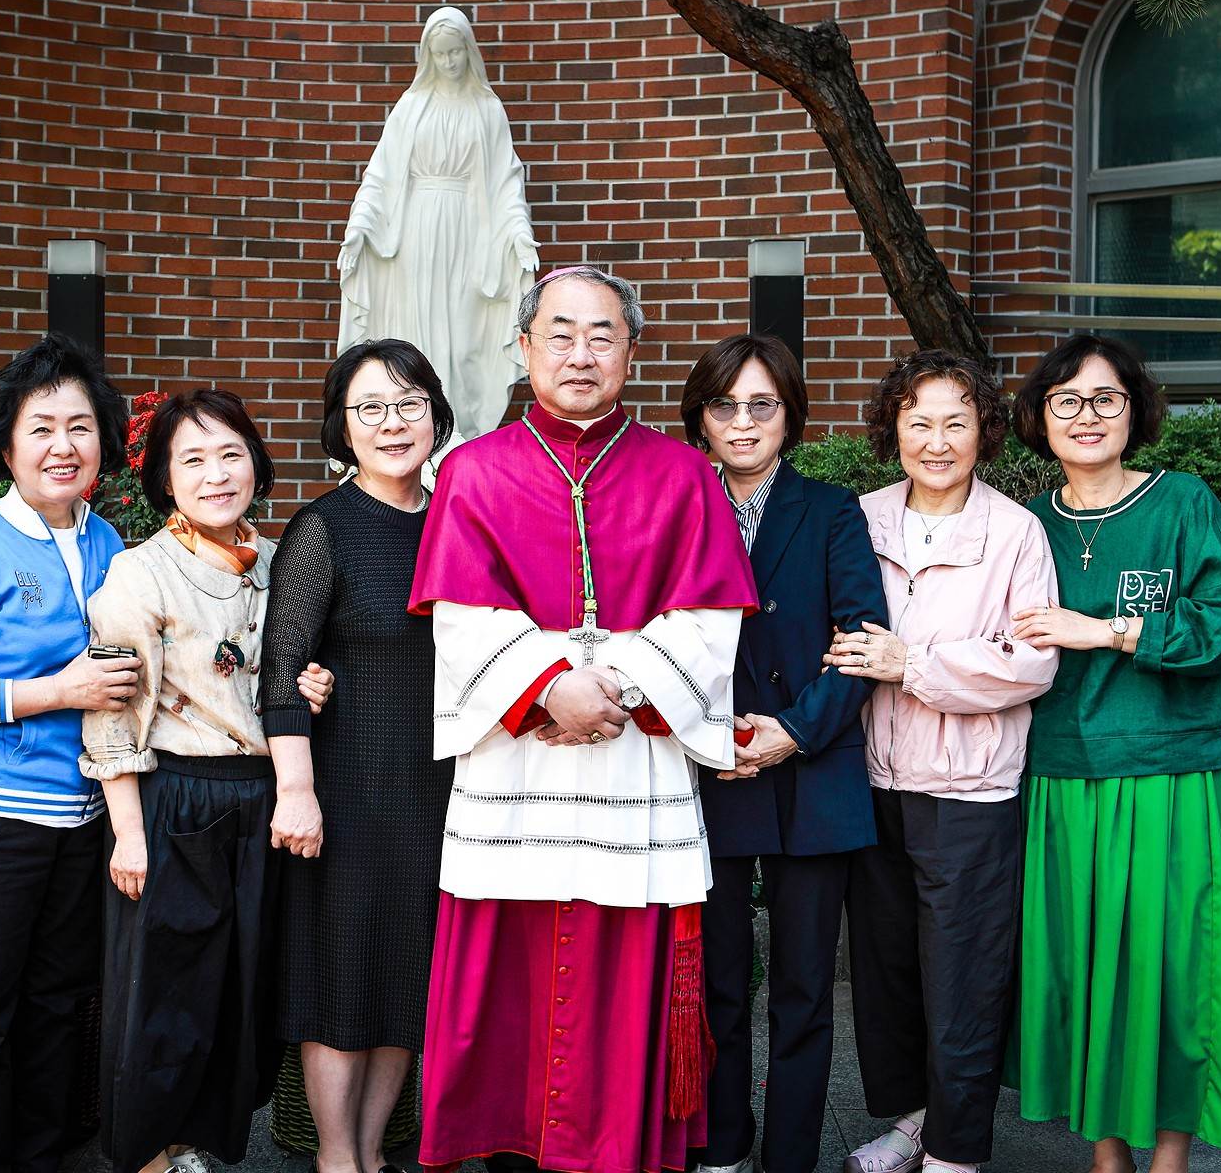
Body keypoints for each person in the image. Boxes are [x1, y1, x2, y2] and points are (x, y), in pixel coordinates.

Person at [409, 266, 758, 1173]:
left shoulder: (685, 474)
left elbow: (708, 620)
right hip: (515, 770)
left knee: (621, 968)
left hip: (631, 762)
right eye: (559, 334)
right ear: (524, 347)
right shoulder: (471, 472)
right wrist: (548, 688)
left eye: (603, 335)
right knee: (513, 976)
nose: (580, 354)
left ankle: (613, 1147)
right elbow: (460, 619)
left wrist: (615, 691)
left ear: (631, 353)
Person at [1007, 335, 1221, 1173]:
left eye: (1106, 398)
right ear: (1041, 417)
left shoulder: (1182, 502)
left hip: (1168, 775)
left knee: (1173, 967)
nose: (1087, 416)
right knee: (1079, 968)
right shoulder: (1027, 523)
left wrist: (1112, 631)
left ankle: (1171, 1156)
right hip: (1060, 773)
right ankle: (1107, 1154)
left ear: (1134, 410)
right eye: (1066, 400)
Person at [79, 390, 332, 1173]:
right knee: (163, 997)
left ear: (256, 464)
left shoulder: (280, 563)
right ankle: (146, 1157)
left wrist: (316, 682)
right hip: (176, 801)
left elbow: (285, 675)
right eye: (192, 460)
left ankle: (188, 1144)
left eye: (230, 454)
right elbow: (113, 710)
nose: (216, 474)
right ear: (164, 480)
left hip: (262, 802)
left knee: (235, 998)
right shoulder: (140, 573)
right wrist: (128, 834)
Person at [824, 351, 1060, 1173]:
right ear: (893, 428)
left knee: (963, 978)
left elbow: (1030, 663)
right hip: (871, 781)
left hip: (970, 791)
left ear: (983, 431)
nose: (936, 441)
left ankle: (956, 1152)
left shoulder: (1015, 531)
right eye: (918, 421)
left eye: (956, 422)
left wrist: (913, 665)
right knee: (888, 973)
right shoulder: (860, 517)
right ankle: (913, 1123)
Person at [0, 336, 138, 1173]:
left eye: (80, 426)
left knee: (59, 1006)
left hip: (83, 818)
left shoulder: (110, 542)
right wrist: (59, 692)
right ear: (5, 445)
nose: (62, 446)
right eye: (41, 428)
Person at [678, 333, 888, 1173]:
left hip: (812, 768)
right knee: (720, 980)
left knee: (804, 988)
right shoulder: (680, 505)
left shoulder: (832, 510)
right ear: (700, 418)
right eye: (724, 405)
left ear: (790, 416)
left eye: (761, 405)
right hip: (712, 769)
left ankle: (791, 1155)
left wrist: (792, 731)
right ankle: (723, 1142)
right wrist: (708, 737)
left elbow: (862, 641)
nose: (742, 422)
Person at [259, 339, 456, 1173]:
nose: (392, 423)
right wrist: (296, 791)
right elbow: (281, 670)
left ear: (436, 415)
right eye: (370, 408)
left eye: (409, 403)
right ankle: (336, 1159)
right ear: (343, 428)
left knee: (407, 980)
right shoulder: (324, 528)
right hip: (346, 792)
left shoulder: (459, 522)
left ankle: (372, 1156)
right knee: (340, 983)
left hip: (440, 793)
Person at [337, 5, 539, 441]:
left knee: (464, 336)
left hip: (468, 234)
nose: (449, 62)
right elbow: (381, 176)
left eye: (456, 52)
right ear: (428, 55)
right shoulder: (411, 107)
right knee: (416, 332)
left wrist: (520, 234)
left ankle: (458, 431)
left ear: (469, 51)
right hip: (416, 233)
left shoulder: (487, 109)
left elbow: (506, 180)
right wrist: (359, 229)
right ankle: (417, 426)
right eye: (440, 53)